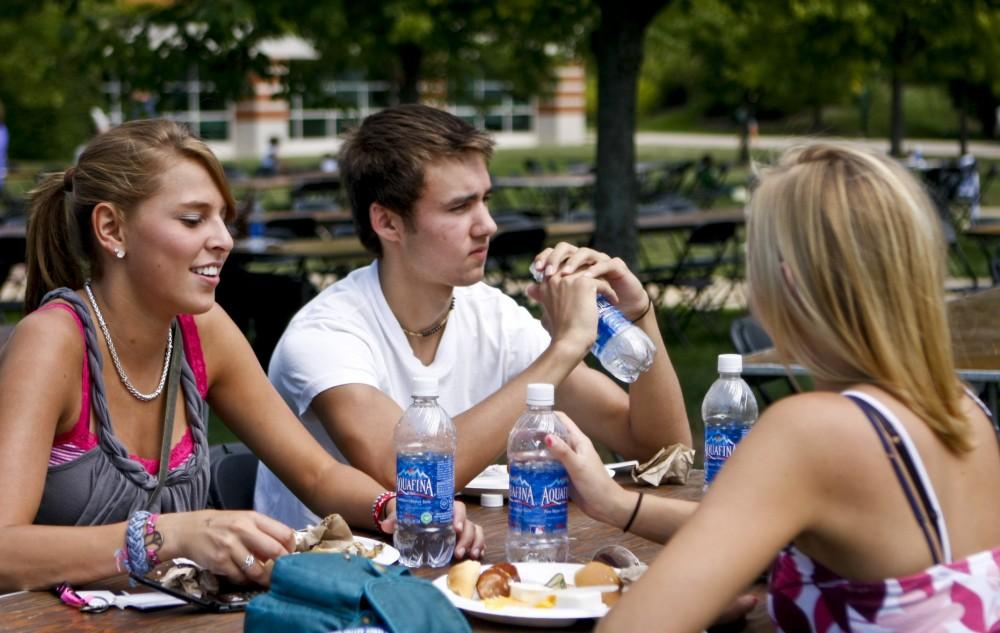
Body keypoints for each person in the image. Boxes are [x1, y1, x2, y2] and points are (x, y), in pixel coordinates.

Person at [0, 118, 482, 593]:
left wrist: (393, 507)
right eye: (192, 220)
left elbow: (316, 473)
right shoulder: (51, 342)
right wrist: (171, 534)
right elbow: (5, 550)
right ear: (111, 228)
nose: (224, 240)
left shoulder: (200, 332)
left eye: (222, 219)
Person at [546, 143, 1000, 632]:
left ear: (787, 283)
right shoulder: (964, 410)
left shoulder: (812, 433)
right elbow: (770, 530)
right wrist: (614, 504)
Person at [255, 104, 691, 529]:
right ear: (387, 223)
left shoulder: (490, 313)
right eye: (459, 207)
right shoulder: (325, 334)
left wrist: (638, 316)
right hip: (332, 586)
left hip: (449, 566)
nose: (488, 225)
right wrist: (566, 347)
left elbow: (662, 448)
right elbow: (407, 477)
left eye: (485, 200)